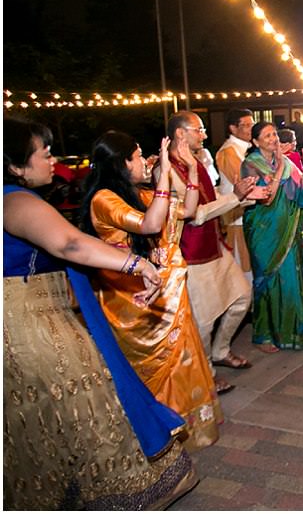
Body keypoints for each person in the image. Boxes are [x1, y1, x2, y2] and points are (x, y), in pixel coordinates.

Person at [3, 118, 197, 509]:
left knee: (37, 418)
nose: (52, 160)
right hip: (30, 326)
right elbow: (71, 245)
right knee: (89, 401)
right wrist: (136, 265)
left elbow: (185, 213)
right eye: (44, 154)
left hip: (31, 319)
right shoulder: (14, 201)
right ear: (15, 166)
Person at [81, 130, 222, 450]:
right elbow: (150, 226)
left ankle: (184, 426)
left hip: (162, 288)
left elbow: (185, 211)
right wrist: (163, 178)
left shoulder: (136, 192)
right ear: (121, 162)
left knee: (182, 359)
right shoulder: (105, 198)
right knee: (150, 365)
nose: (144, 160)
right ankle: (154, 427)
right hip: (130, 296)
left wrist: (182, 173)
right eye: (137, 155)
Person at [167, 112, 260, 394]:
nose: (204, 135)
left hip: (214, 244)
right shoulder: (168, 169)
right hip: (192, 253)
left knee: (242, 297)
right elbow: (194, 214)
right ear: (181, 134)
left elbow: (212, 199)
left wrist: (239, 196)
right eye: (199, 130)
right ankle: (205, 373)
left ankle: (220, 351)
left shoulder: (195, 161)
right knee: (204, 319)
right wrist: (236, 198)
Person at [241, 121, 303, 351]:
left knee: (290, 281)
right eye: (267, 135)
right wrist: (282, 166)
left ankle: (293, 333)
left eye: (274, 134)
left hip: (287, 229)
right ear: (255, 142)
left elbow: (301, 194)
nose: (273, 139)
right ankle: (264, 336)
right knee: (267, 280)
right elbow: (267, 198)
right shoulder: (250, 165)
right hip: (263, 231)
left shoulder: (284, 164)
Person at [216, 108, 256, 282]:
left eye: (252, 124)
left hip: (246, 213)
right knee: (242, 266)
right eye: (246, 125)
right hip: (236, 218)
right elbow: (244, 183)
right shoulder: (228, 152)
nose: (251, 128)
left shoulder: (244, 149)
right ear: (233, 128)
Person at [279, 127, 303, 279]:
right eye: (293, 141)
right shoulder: (293, 157)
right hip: (295, 204)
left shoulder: (279, 160)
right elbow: (301, 184)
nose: (295, 143)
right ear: (286, 144)